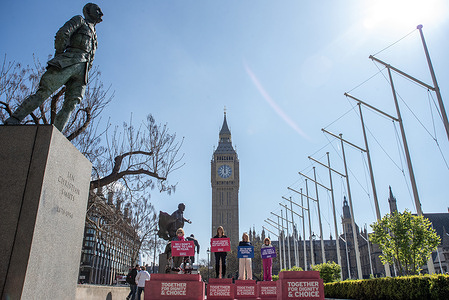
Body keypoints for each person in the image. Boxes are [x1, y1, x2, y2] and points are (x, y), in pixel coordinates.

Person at [3, 3, 103, 131]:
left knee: (71, 105)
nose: (101, 13)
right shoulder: (80, 20)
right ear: (89, 11)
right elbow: (62, 33)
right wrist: (60, 56)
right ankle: (15, 119)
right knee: (44, 92)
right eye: (98, 10)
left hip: (82, 72)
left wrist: (87, 70)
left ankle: (56, 136)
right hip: (68, 61)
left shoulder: (94, 34)